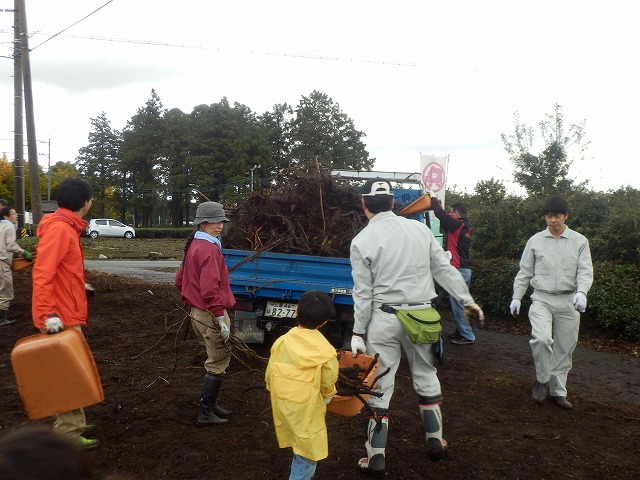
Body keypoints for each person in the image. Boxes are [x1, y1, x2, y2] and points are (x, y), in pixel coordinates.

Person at [349, 178, 484, 477]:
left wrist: (358, 332)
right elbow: (444, 270)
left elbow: (363, 293)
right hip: (423, 316)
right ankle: (435, 440)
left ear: (364, 204)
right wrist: (466, 299)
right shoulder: (420, 230)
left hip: (383, 319)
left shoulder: (361, 241)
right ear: (394, 203)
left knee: (381, 385)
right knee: (426, 375)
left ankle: (375, 458)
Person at [31, 177, 98, 449]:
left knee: (71, 370)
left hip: (65, 311)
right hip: (61, 317)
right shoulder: (61, 229)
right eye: (91, 198)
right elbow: (42, 272)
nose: (91, 202)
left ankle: (74, 421)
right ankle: (68, 434)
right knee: (68, 374)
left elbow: (59, 270)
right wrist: (48, 314)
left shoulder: (66, 227)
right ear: (84, 202)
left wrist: (78, 284)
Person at [510, 196, 593, 411]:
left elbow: (585, 270)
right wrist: (516, 296)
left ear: (565, 216)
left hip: (568, 300)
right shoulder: (535, 241)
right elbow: (525, 271)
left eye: (557, 215)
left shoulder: (580, 241)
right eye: (548, 215)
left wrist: (582, 293)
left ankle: (559, 392)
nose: (553, 220)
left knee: (565, 347)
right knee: (542, 339)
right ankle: (542, 380)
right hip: (542, 298)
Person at [265, 290, 339, 480]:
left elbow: (269, 376)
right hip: (307, 410)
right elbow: (327, 383)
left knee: (297, 441)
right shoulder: (326, 352)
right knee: (308, 453)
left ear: (296, 311)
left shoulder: (281, 342)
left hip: (282, 404)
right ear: (323, 322)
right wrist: (329, 395)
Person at [174, 201, 236, 426]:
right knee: (218, 359)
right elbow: (210, 288)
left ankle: (212, 405)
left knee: (214, 356)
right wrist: (220, 317)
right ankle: (206, 413)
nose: (218, 226)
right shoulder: (209, 248)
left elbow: (179, 280)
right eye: (213, 222)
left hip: (198, 312)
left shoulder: (193, 245)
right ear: (202, 223)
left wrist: (191, 300)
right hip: (210, 313)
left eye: (221, 221)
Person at [430, 197, 476, 345]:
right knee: (458, 304)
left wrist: (432, 198)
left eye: (451, 213)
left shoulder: (457, 225)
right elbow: (444, 221)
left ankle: (467, 336)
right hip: (462, 270)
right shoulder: (463, 226)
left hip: (459, 270)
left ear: (456, 214)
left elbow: (439, 213)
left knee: (459, 305)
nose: (449, 215)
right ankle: (461, 330)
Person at [0, 206, 33, 326]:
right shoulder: (9, 226)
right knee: (6, 291)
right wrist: (23, 252)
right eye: (13, 214)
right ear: (6, 216)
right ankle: (1, 319)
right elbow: (10, 245)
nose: (16, 215)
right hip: (2, 262)